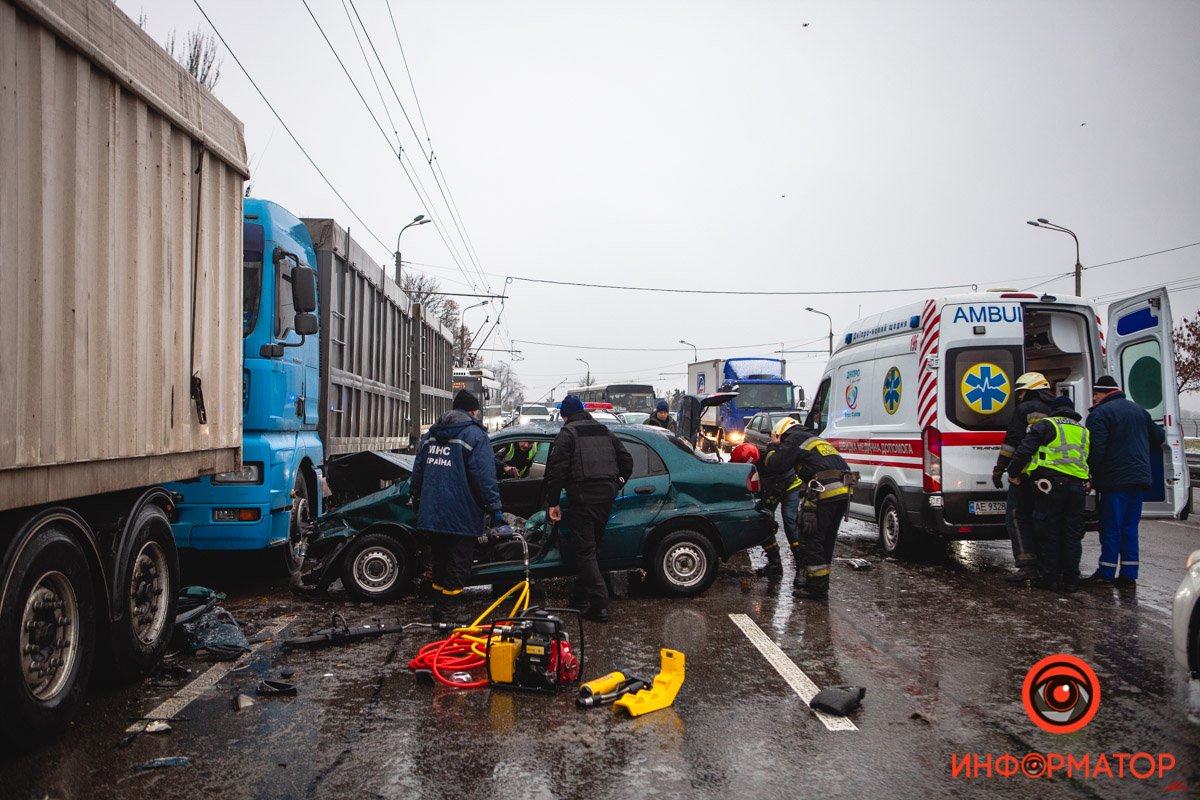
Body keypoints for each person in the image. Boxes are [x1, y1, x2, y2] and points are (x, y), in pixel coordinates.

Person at [410, 389, 504, 625]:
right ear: (473, 411)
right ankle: (449, 612)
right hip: (461, 512)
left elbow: (419, 469)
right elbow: (483, 476)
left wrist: (417, 498)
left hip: (433, 511)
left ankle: (440, 610)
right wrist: (494, 507)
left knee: (440, 562)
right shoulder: (475, 435)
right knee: (458, 564)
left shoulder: (432, 434)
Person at [544, 394, 633, 623]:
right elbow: (627, 461)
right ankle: (579, 594)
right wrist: (617, 484)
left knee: (584, 553)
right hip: (605, 499)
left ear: (566, 415)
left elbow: (557, 471)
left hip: (582, 500)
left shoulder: (568, 434)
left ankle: (600, 604)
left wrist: (552, 502)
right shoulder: (604, 430)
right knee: (592, 550)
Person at [1080, 375, 1166, 588]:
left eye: (1096, 394)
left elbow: (1096, 449)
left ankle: (1106, 572)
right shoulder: (1139, 410)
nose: (1094, 399)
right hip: (1139, 479)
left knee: (1110, 527)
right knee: (1129, 528)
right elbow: (1159, 437)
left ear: (1103, 393)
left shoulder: (1100, 414)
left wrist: (1090, 475)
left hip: (1114, 481)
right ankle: (1129, 573)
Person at [760, 417, 853, 600]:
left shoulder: (795, 439)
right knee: (825, 540)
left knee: (811, 539)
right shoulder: (816, 440)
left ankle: (816, 590)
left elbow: (775, 464)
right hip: (844, 490)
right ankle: (819, 587)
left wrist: (771, 449)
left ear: (781, 433)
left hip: (826, 490)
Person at [1006, 394, 1090, 593]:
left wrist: (1013, 472)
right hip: (1077, 487)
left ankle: (1049, 578)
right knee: (1071, 534)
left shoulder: (1046, 425)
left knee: (1048, 531)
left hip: (1049, 485)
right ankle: (1070, 580)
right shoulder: (1084, 430)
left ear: (1055, 410)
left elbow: (1024, 450)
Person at [991, 372, 1055, 584]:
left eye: (1020, 393)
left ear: (1028, 391)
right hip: (1051, 476)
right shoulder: (1056, 409)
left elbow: (1013, 443)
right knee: (1044, 519)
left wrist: (1002, 469)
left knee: (1017, 517)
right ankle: (1049, 566)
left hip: (1025, 475)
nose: (1019, 397)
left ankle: (1027, 565)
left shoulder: (1025, 409)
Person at [731, 443, 783, 577]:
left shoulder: (768, 467)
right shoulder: (740, 456)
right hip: (771, 487)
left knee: (766, 523)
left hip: (782, 488)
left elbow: (767, 490)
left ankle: (775, 563)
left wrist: (765, 508)